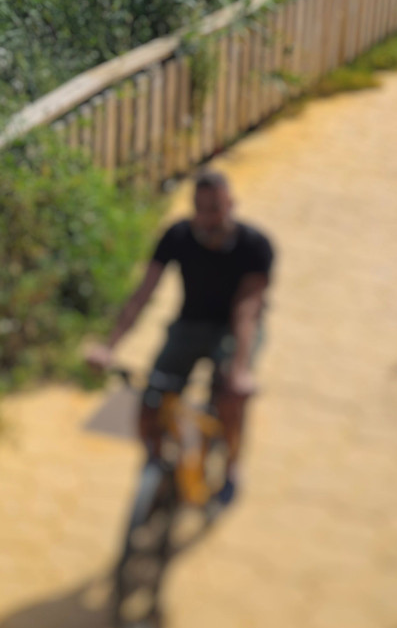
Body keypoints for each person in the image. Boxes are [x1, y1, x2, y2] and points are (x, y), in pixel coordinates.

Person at [87, 166, 273, 506]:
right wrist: (109, 346)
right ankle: (158, 464)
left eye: (215, 209)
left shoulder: (255, 247)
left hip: (233, 330)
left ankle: (231, 467)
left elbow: (247, 311)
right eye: (201, 209)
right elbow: (142, 294)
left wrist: (239, 371)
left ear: (231, 205)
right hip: (190, 324)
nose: (208, 219)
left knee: (230, 398)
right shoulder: (177, 237)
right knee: (152, 397)